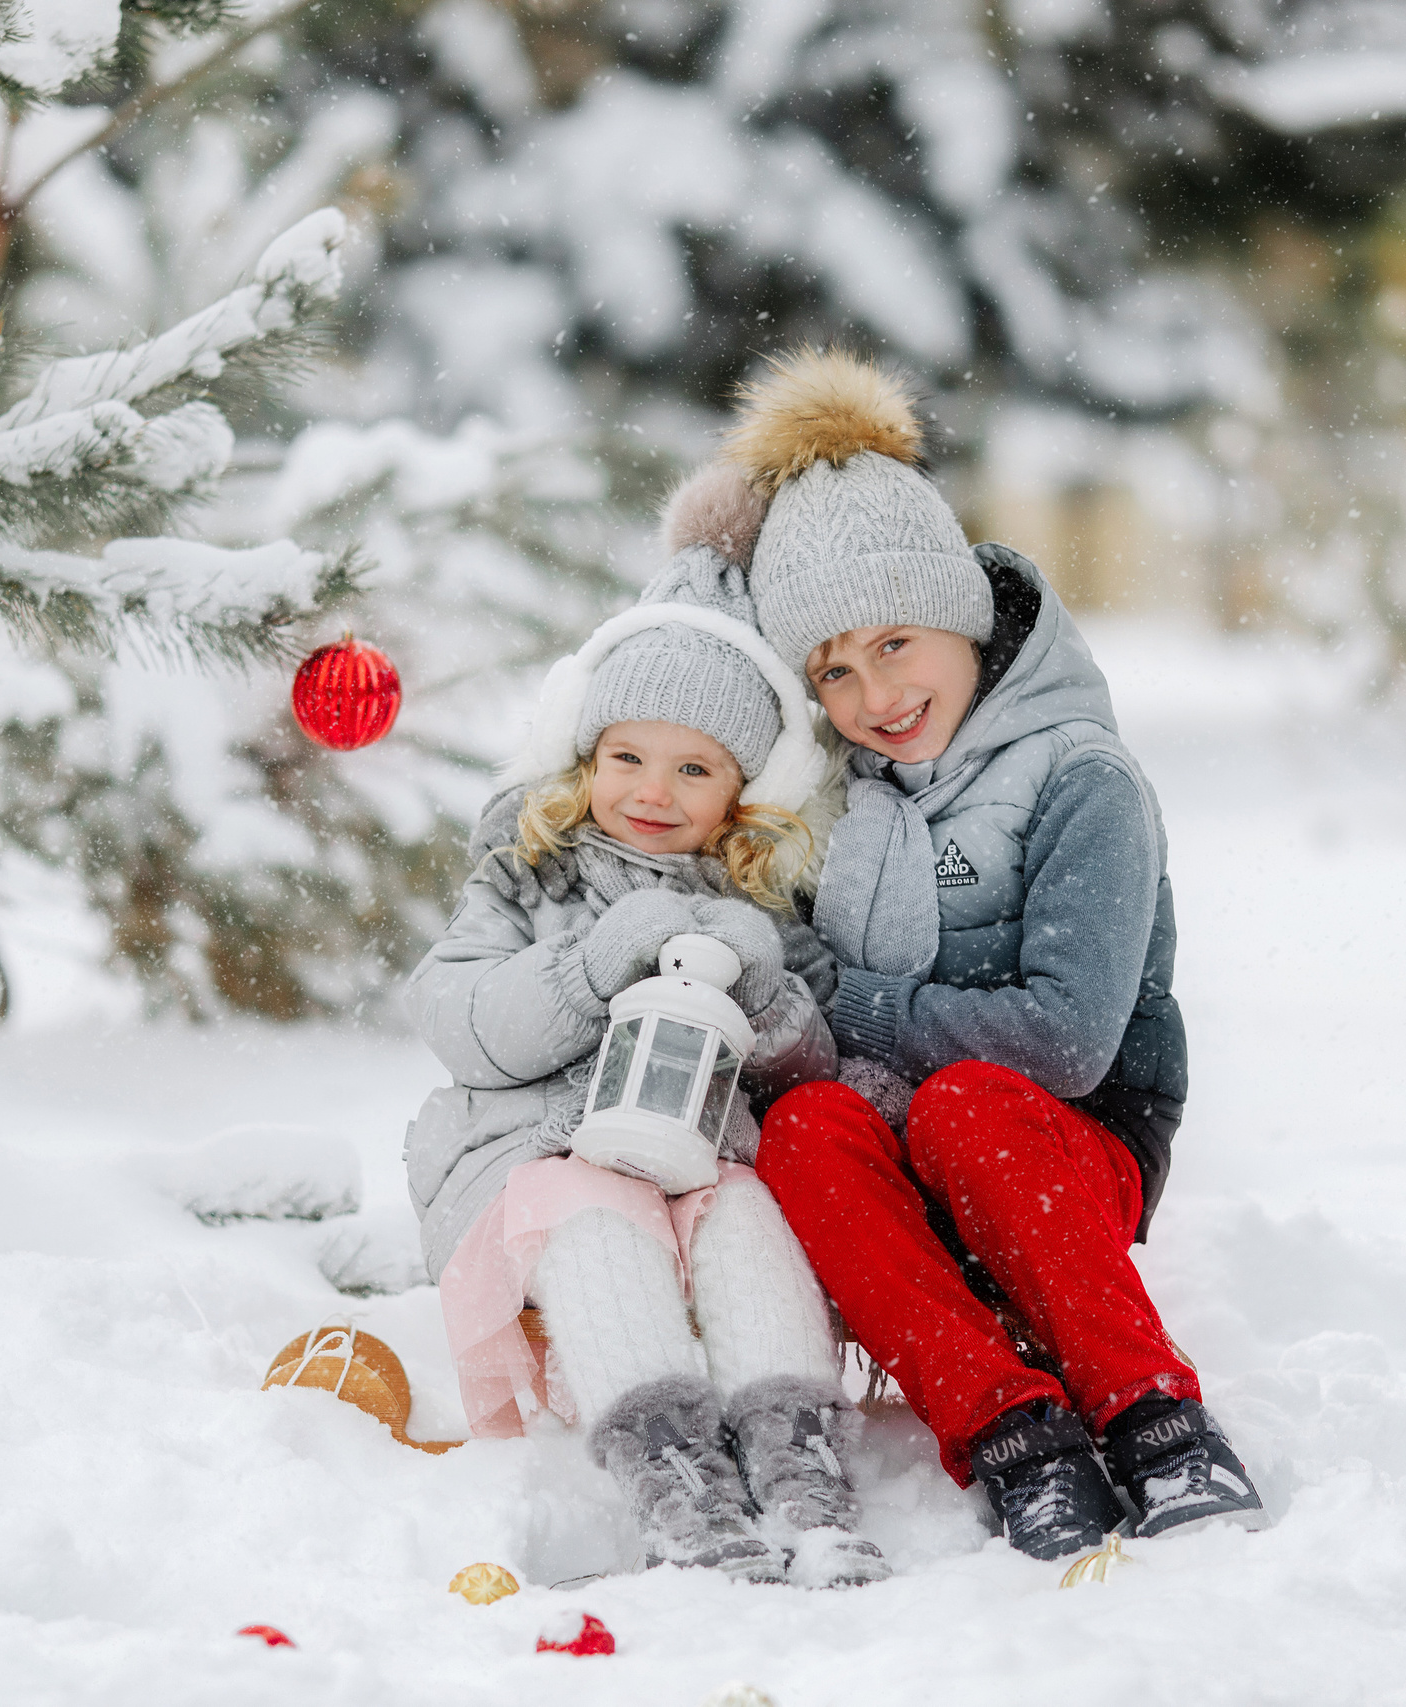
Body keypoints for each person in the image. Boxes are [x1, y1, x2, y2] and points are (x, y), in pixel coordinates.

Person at [697, 348, 1269, 1560]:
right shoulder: (836, 796)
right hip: (895, 1139)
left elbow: (1064, 1042)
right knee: (802, 1130)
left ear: (958, 613)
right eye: (832, 669)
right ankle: (1014, 1436)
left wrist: (856, 1007)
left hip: (1065, 1146)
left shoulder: (1082, 778)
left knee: (969, 1105)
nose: (874, 694)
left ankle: (1156, 1419)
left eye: (895, 642)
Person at [400, 509, 888, 1588]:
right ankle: (676, 1482)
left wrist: (767, 1002)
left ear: (745, 792)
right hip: (537, 1156)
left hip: (701, 1160)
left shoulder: (756, 902)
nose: (653, 792)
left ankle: (799, 1471)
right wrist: (587, 968)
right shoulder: (530, 874)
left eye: (694, 769)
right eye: (627, 757)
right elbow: (462, 1021)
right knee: (596, 1218)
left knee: (750, 1222)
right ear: (584, 757)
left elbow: (815, 1064)